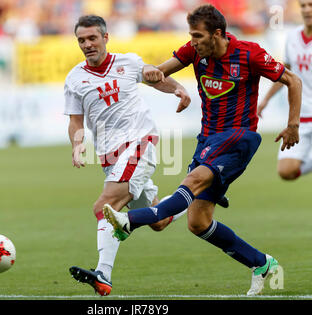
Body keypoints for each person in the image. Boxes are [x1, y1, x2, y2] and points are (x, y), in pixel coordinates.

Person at [103, 4, 302, 296]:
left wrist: (293, 124)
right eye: (191, 35)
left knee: (192, 182)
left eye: (197, 35)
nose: (193, 41)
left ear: (217, 34)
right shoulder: (194, 51)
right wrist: (145, 75)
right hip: (208, 139)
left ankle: (129, 221)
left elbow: (292, 80)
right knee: (198, 223)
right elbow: (157, 74)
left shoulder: (249, 53)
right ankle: (261, 263)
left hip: (239, 137)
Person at [64, 15, 193, 296]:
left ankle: (103, 274)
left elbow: (154, 75)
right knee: (158, 221)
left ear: (105, 38)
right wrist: (77, 143)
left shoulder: (128, 62)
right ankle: (198, 193)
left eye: (92, 38)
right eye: (81, 40)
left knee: (104, 206)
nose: (87, 44)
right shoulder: (74, 79)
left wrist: (178, 89)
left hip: (139, 144)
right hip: (109, 158)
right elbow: (76, 120)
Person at [258, 0, 312, 181]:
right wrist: (266, 99)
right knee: (286, 171)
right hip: (301, 117)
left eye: (310, 5)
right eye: (303, 5)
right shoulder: (292, 36)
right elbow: (285, 74)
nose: (306, 9)